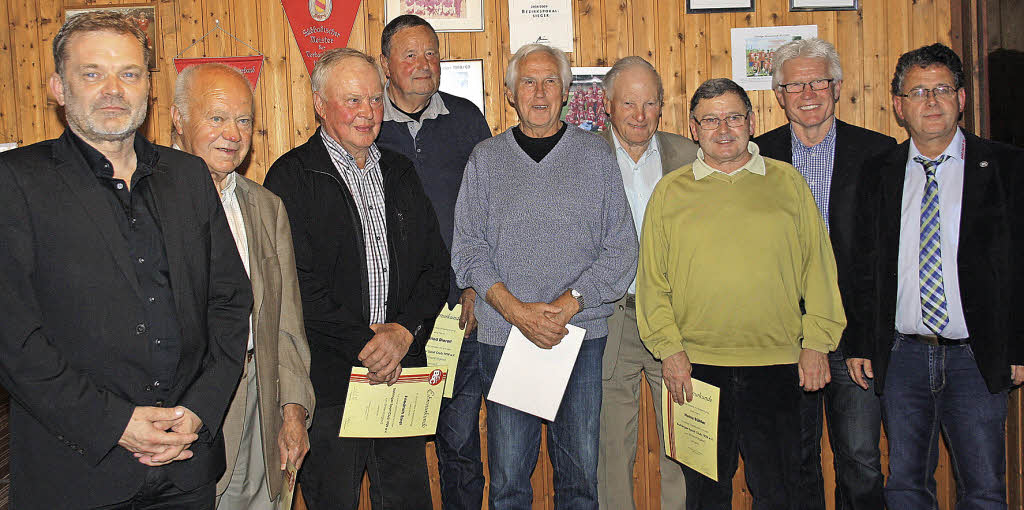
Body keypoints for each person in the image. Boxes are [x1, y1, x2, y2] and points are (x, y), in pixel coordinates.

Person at [0, 11, 252, 509]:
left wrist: (199, 411)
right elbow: (15, 339)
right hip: (75, 472)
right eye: (92, 73)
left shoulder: (189, 178)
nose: (113, 89)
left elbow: (229, 304)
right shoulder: (16, 183)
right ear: (57, 86)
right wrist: (116, 424)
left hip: (187, 468)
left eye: (129, 74)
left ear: (149, 88)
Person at [637, 77, 846, 510]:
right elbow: (652, 283)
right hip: (696, 372)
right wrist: (669, 350)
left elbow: (820, 271)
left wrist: (818, 344)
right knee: (706, 497)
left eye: (734, 117)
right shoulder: (670, 192)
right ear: (694, 129)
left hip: (779, 366)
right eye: (710, 120)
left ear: (751, 122)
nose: (724, 129)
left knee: (780, 491)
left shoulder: (786, 182)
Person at [451, 43, 637, 509]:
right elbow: (468, 251)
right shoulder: (486, 159)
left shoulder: (595, 157)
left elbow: (621, 249)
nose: (539, 92)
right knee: (510, 484)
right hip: (505, 340)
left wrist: (568, 304)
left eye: (550, 81)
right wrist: (518, 314)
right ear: (511, 93)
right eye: (528, 82)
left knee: (578, 484)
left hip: (578, 338)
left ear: (567, 91)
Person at [263, 48, 449, 510]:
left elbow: (435, 266)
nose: (367, 112)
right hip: (329, 382)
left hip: (400, 375)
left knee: (408, 501)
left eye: (374, 99)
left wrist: (403, 333)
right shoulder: (290, 177)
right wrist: (366, 344)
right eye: (352, 100)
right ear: (319, 104)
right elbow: (296, 285)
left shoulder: (400, 171)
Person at [845, 43, 1024, 510]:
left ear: (961, 98)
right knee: (904, 485)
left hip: (976, 358)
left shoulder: (1006, 167)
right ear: (900, 107)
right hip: (902, 357)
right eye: (918, 92)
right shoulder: (878, 172)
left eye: (941, 89)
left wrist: (1020, 346)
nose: (931, 101)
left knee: (984, 488)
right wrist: (862, 343)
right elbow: (865, 267)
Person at [752, 37, 895, 510]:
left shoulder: (878, 152)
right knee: (794, 459)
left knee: (859, 458)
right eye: (795, 85)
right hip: (784, 335)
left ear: (837, 88)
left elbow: (882, 258)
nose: (808, 93)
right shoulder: (758, 157)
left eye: (818, 82)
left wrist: (866, 340)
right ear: (778, 95)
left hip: (852, 337)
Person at [170, 62, 315, 510]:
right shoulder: (146, 201)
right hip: (183, 413)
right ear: (179, 119)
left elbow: (287, 320)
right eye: (216, 118)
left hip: (261, 393)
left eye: (244, 120)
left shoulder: (267, 208)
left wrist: (292, 410)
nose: (232, 133)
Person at [374, 15, 492, 509]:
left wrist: (474, 284)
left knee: (461, 445)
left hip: (455, 317)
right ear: (385, 65)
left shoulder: (467, 120)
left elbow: (491, 212)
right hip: (388, 321)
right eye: (410, 54)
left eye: (431, 53)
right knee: (392, 453)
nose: (424, 64)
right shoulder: (367, 123)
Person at [595, 55, 696, 510]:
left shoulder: (691, 157)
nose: (639, 115)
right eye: (629, 103)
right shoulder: (582, 157)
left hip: (677, 322)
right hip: (609, 319)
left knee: (685, 444)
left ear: (662, 107)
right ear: (608, 105)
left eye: (649, 103)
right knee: (610, 448)